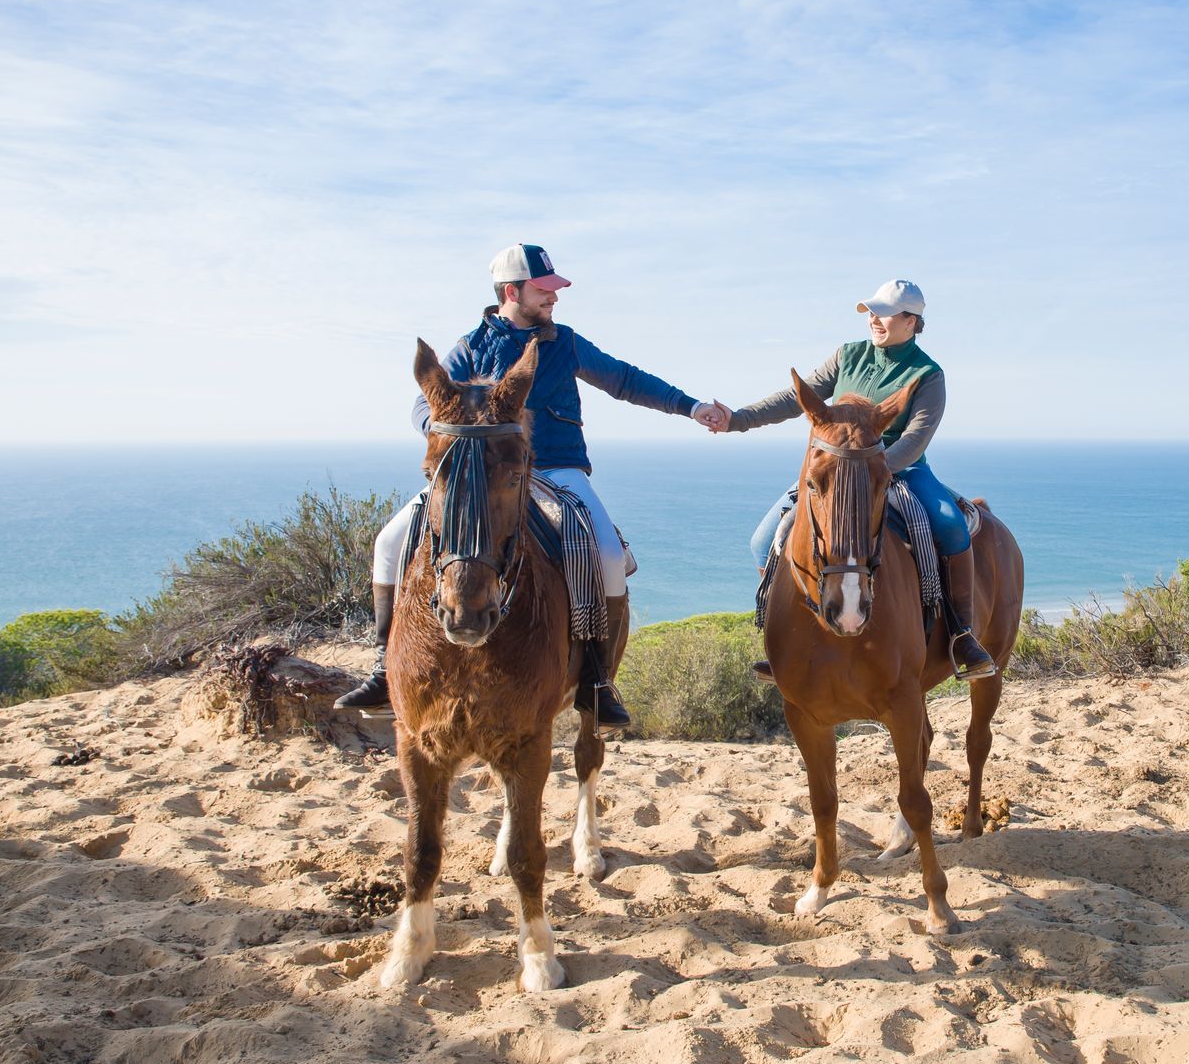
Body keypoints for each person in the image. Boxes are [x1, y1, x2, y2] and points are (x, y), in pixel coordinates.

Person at [335, 243, 730, 730]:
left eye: (554, 289)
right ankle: (382, 668)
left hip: (558, 470)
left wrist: (690, 407)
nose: (554, 298)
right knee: (388, 542)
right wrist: (453, 438)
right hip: (480, 474)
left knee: (606, 554)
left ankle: (596, 679)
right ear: (511, 292)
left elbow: (625, 380)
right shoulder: (470, 346)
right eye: (544, 290)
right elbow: (424, 405)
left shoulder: (566, 343)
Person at [721, 278, 995, 681]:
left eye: (884, 314)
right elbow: (796, 399)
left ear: (911, 321)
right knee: (763, 541)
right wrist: (739, 419)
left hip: (899, 468)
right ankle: (779, 637)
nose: (874, 320)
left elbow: (916, 438)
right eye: (871, 313)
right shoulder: (848, 355)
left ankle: (962, 636)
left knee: (951, 526)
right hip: (837, 471)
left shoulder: (928, 374)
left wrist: (875, 470)